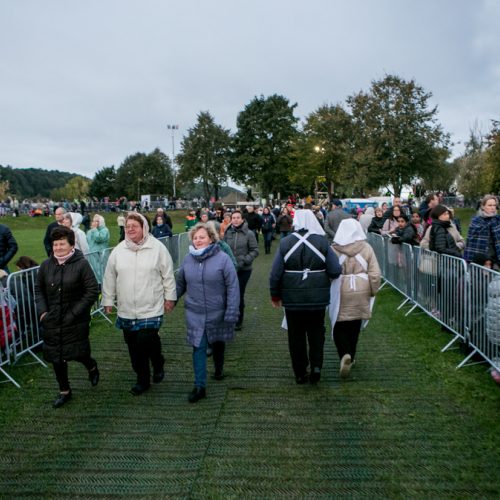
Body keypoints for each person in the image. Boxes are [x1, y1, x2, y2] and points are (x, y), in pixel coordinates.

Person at [102, 213, 177, 395]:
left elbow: (168, 275)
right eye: (127, 226)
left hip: (151, 305)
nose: (130, 229)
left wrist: (170, 298)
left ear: (144, 227)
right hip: (127, 308)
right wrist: (108, 300)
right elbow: (110, 277)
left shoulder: (157, 248)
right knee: (133, 346)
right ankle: (142, 379)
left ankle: (157, 361)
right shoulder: (118, 251)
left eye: (134, 226)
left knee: (146, 339)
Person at [270, 209, 341, 384]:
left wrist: (275, 295)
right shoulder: (322, 242)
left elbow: (275, 273)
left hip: (292, 298)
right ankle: (317, 366)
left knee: (296, 336)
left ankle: (300, 372)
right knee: (317, 332)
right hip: (317, 298)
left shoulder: (285, 242)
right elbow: (335, 270)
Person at [34, 226, 99, 408]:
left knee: (79, 353)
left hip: (75, 319)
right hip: (52, 319)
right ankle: (65, 391)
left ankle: (91, 366)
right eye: (55, 244)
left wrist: (74, 313)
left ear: (71, 245)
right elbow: (39, 290)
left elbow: (92, 290)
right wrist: (43, 312)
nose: (58, 248)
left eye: (62, 244)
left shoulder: (81, 264)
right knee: (57, 356)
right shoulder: (46, 265)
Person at [176, 223, 240, 403]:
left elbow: (233, 287)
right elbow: (181, 283)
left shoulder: (223, 259)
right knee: (199, 347)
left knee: (218, 342)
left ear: (211, 238)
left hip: (217, 311)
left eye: (202, 237)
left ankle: (218, 368)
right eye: (195, 238)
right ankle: (200, 386)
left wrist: (232, 311)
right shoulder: (188, 259)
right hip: (194, 313)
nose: (198, 240)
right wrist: (170, 300)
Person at [330, 219, 381, 379]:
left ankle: (344, 353)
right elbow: (375, 273)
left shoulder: (334, 249)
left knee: (339, 323)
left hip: (341, 288)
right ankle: (351, 354)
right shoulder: (366, 248)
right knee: (355, 324)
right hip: (361, 287)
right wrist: (372, 291)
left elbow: (330, 271)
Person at [223, 210, 259, 331]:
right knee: (227, 294)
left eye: (238, 217)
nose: (236, 220)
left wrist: (244, 260)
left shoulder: (249, 234)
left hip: (244, 269)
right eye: (234, 218)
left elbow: (255, 250)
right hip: (229, 269)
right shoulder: (228, 233)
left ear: (242, 219)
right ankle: (228, 318)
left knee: (238, 293)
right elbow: (223, 248)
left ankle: (238, 320)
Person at [464, 195, 500, 268]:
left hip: (495, 256)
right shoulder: (476, 221)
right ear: (483, 206)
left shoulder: (497, 220)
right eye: (489, 205)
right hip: (480, 256)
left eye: (494, 205)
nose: (493, 208)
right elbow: (471, 241)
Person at [86, 214, 111, 283]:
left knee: (101, 271)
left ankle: (102, 286)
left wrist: (94, 229)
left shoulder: (105, 230)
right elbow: (87, 241)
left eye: (97, 221)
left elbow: (99, 238)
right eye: (93, 221)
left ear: (101, 222)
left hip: (100, 254)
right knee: (93, 271)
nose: (94, 223)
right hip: (92, 254)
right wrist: (92, 230)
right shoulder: (91, 231)